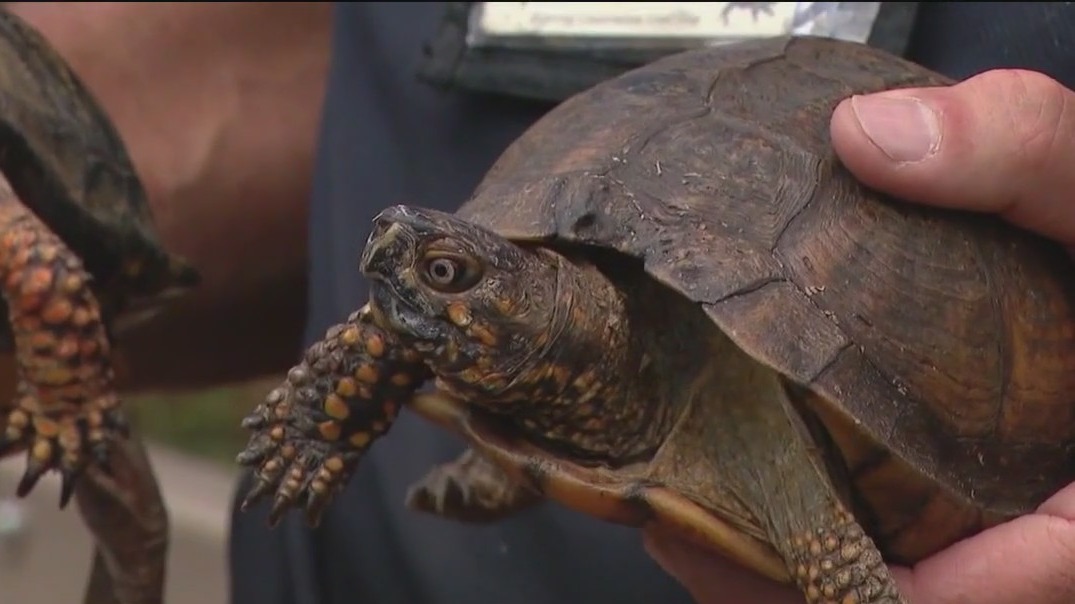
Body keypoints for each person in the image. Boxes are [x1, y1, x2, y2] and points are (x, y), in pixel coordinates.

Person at [7, 2, 1075, 603]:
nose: (401, 273)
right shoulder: (497, 301)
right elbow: (311, 69)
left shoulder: (739, 399)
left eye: (447, 275)